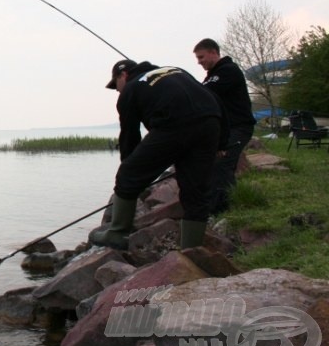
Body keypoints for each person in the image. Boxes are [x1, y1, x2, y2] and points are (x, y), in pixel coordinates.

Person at [89, 60, 227, 250]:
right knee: (196, 191)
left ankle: (117, 233)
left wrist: (129, 170)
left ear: (123, 76)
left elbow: (129, 135)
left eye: (116, 86)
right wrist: (222, 143)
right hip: (210, 123)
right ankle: (191, 250)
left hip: (174, 124)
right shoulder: (176, 70)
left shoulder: (131, 88)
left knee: (128, 174)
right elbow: (215, 100)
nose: (118, 91)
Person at [193, 38, 256, 215]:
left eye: (201, 57)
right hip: (227, 130)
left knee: (222, 166)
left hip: (239, 128)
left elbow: (204, 94)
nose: (199, 62)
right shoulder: (214, 74)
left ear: (213, 52)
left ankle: (221, 210)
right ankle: (230, 204)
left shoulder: (228, 71)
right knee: (219, 165)